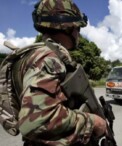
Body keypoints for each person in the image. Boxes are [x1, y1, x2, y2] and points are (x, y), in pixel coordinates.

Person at [14, 0, 107, 145]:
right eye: (78, 28)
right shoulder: (48, 58)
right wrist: (93, 122)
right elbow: (36, 121)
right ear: (67, 27)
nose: (78, 34)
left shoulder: (30, 56)